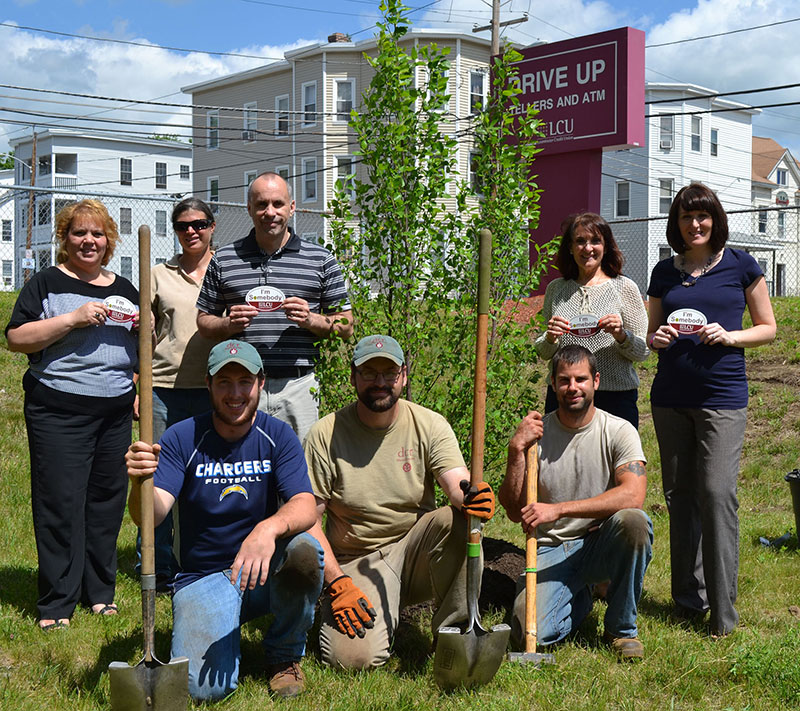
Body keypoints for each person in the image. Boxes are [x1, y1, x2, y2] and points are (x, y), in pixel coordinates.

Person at [125, 339, 323, 699]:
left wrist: (268, 528)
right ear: (208, 384)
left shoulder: (277, 435)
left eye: (244, 382)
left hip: (262, 570)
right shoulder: (182, 437)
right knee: (202, 690)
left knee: (305, 550)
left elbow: (305, 505)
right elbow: (150, 515)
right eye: (224, 383)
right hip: (203, 576)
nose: (235, 394)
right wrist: (139, 482)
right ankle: (217, 620)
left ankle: (284, 657)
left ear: (261, 383)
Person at [303, 334, 496, 669]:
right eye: (369, 373)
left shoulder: (429, 424)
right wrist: (336, 583)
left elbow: (456, 482)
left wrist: (471, 497)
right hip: (356, 560)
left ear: (404, 376)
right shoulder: (325, 434)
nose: (380, 383)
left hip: (415, 550)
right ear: (353, 377)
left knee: (459, 519)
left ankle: (453, 633)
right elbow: (307, 520)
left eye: (389, 373)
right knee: (352, 661)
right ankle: (350, 609)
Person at [646, 182, 776, 637]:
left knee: (717, 494)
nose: (695, 224)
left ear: (715, 219)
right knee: (680, 498)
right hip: (669, 399)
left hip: (722, 400)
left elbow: (768, 328)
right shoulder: (664, 271)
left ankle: (723, 615)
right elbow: (652, 332)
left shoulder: (741, 265)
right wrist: (656, 338)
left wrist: (730, 336)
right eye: (686, 216)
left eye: (702, 216)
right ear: (676, 223)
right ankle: (687, 600)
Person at [6, 199, 139, 630]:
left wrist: (137, 382)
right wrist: (73, 318)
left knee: (105, 504)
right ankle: (57, 603)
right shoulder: (45, 283)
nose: (89, 241)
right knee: (60, 504)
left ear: (109, 241)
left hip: (115, 414)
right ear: (64, 238)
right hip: (58, 410)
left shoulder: (126, 289)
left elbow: (139, 347)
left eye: (97, 234)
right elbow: (17, 338)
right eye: (79, 232)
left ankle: (99, 593)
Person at [499, 344, 652, 660]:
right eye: (564, 380)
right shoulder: (536, 438)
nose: (572, 388)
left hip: (600, 543)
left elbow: (633, 495)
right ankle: (579, 594)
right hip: (551, 549)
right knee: (527, 632)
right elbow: (514, 512)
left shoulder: (618, 430)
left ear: (596, 381)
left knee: (634, 522)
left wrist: (558, 509)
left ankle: (621, 630)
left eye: (580, 379)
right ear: (553, 383)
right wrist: (516, 449)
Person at [196, 171, 353, 441]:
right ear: (249, 208)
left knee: (299, 469)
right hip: (241, 387)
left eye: (278, 204)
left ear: (292, 208)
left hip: (298, 386)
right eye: (261, 204)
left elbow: (346, 325)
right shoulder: (224, 259)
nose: (270, 212)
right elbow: (203, 322)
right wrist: (226, 324)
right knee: (244, 468)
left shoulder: (320, 259)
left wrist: (311, 320)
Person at [136, 197, 217, 587]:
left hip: (213, 391)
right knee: (157, 476)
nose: (191, 232)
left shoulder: (224, 269)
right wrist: (139, 383)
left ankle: (198, 560)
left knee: (203, 479)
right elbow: (142, 336)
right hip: (164, 390)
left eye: (199, 224)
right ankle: (157, 565)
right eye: (183, 225)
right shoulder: (157, 274)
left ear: (212, 226)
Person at [535, 213, 648, 428]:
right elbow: (544, 352)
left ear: (606, 246)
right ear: (570, 247)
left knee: (614, 461)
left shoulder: (624, 288)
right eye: (580, 241)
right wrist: (549, 338)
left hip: (615, 397)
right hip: (567, 395)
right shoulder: (556, 289)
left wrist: (622, 336)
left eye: (595, 241)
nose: (588, 248)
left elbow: (643, 352)